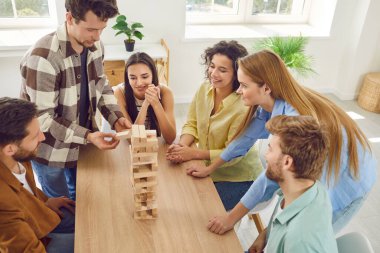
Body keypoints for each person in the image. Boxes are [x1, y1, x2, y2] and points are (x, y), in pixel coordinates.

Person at [190, 50, 377, 232]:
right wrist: (210, 168)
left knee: (304, 234)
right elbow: (243, 139)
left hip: (349, 180)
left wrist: (231, 218)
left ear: (266, 88)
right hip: (327, 170)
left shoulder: (294, 124)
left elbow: (273, 179)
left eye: (244, 85)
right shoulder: (270, 104)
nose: (238, 91)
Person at [19, 0, 131, 201]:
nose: (97, 37)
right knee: (63, 213)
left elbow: (101, 83)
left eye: (101, 29)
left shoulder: (95, 44)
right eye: (90, 29)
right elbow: (43, 119)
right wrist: (88, 136)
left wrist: (115, 117)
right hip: (51, 152)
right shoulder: (44, 58)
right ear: (70, 18)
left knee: (85, 202)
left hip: (82, 144)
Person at [211, 115, 338, 253]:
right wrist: (266, 235)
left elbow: (297, 238)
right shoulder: (308, 188)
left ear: (287, 162)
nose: (266, 155)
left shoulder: (300, 241)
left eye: (270, 149)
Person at [166, 41, 263, 210]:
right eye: (212, 66)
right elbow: (192, 123)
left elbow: (233, 154)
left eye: (222, 70)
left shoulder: (243, 107)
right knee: (176, 192)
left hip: (238, 178)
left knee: (198, 208)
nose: (213, 74)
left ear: (237, 75)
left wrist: (194, 153)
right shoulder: (204, 89)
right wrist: (182, 146)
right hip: (207, 166)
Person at [0, 97, 76, 253]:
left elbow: (25, 191)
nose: (42, 137)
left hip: (34, 222)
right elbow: (25, 249)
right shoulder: (2, 202)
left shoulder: (19, 157)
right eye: (35, 136)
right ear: (9, 149)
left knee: (84, 218)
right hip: (32, 243)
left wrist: (46, 201)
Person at [113, 52, 176, 143]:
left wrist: (156, 103)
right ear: (127, 78)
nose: (139, 83)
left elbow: (170, 138)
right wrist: (145, 104)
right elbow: (132, 140)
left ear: (153, 75)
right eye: (133, 78)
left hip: (155, 144)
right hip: (132, 149)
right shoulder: (119, 93)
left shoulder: (165, 93)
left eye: (144, 76)